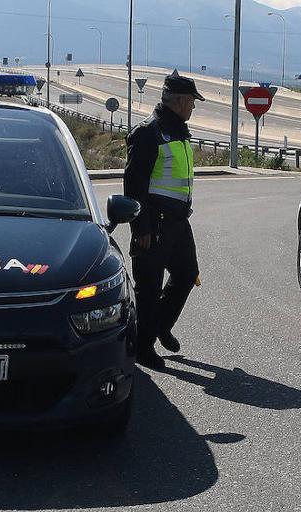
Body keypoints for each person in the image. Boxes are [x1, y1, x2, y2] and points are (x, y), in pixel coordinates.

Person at [123, 71, 204, 370]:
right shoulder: (149, 132)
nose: (194, 107)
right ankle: (143, 349)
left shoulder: (179, 130)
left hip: (178, 222)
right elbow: (134, 184)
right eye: (192, 102)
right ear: (181, 101)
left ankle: (159, 326)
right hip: (153, 223)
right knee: (149, 287)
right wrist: (140, 227)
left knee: (186, 275)